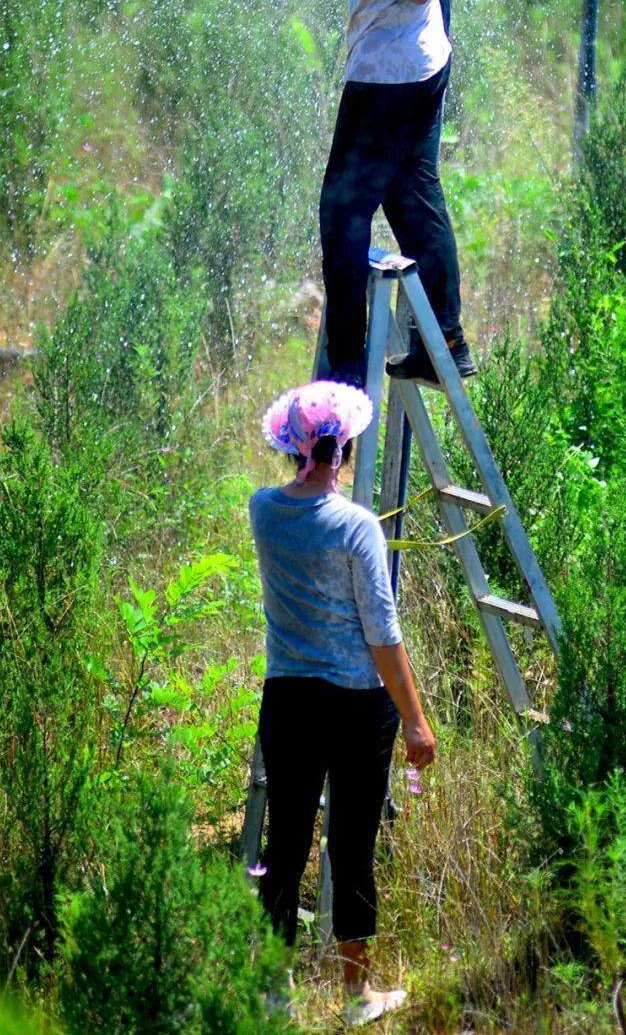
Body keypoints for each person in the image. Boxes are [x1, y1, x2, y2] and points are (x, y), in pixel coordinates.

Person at [223, 0, 474, 387]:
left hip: (397, 72)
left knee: (341, 209)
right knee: (411, 199)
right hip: (394, 62)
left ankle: (344, 370)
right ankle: (447, 343)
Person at [249, 379, 436, 1027]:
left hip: (290, 698)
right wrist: (415, 719)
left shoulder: (263, 512)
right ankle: (357, 996)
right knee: (351, 844)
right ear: (345, 450)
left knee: (288, 837)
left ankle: (275, 991)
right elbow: (382, 633)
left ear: (291, 449)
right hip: (359, 705)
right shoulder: (357, 528)